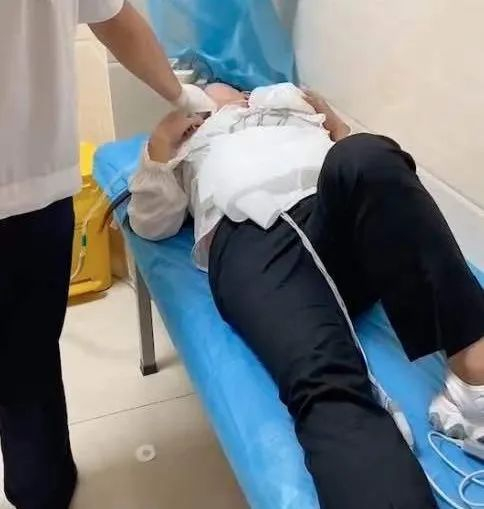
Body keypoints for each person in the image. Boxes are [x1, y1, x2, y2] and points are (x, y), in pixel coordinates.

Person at [111, 82, 484, 508]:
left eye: (232, 90)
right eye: (207, 96)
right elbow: (151, 224)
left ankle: (473, 375)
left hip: (336, 223)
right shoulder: (190, 145)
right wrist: (159, 149)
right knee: (325, 382)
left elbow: (376, 188)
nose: (224, 97)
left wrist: (334, 125)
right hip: (251, 243)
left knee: (366, 153)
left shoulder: (296, 114)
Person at [0, 2, 216, 508]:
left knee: (26, 359)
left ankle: (39, 481)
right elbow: (115, 19)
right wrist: (184, 98)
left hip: (37, 189)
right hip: (34, 188)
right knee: (28, 362)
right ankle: (39, 484)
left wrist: (188, 100)